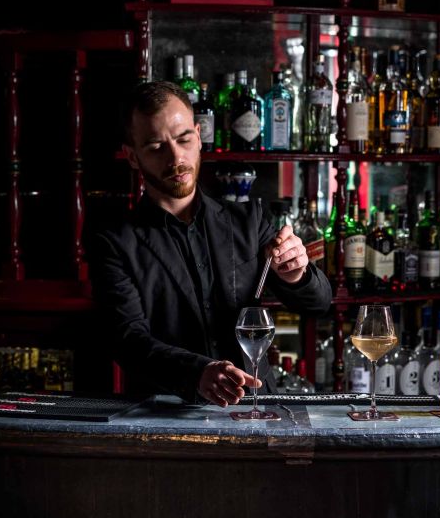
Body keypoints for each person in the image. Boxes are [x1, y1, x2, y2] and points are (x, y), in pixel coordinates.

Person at [89, 80, 332, 406]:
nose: (175, 157)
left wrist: (296, 274)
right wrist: (196, 373)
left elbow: (318, 304)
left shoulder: (249, 220)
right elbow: (127, 339)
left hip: (256, 408)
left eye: (183, 139)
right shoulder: (115, 243)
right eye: (156, 146)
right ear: (133, 157)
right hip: (168, 416)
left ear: (199, 136)